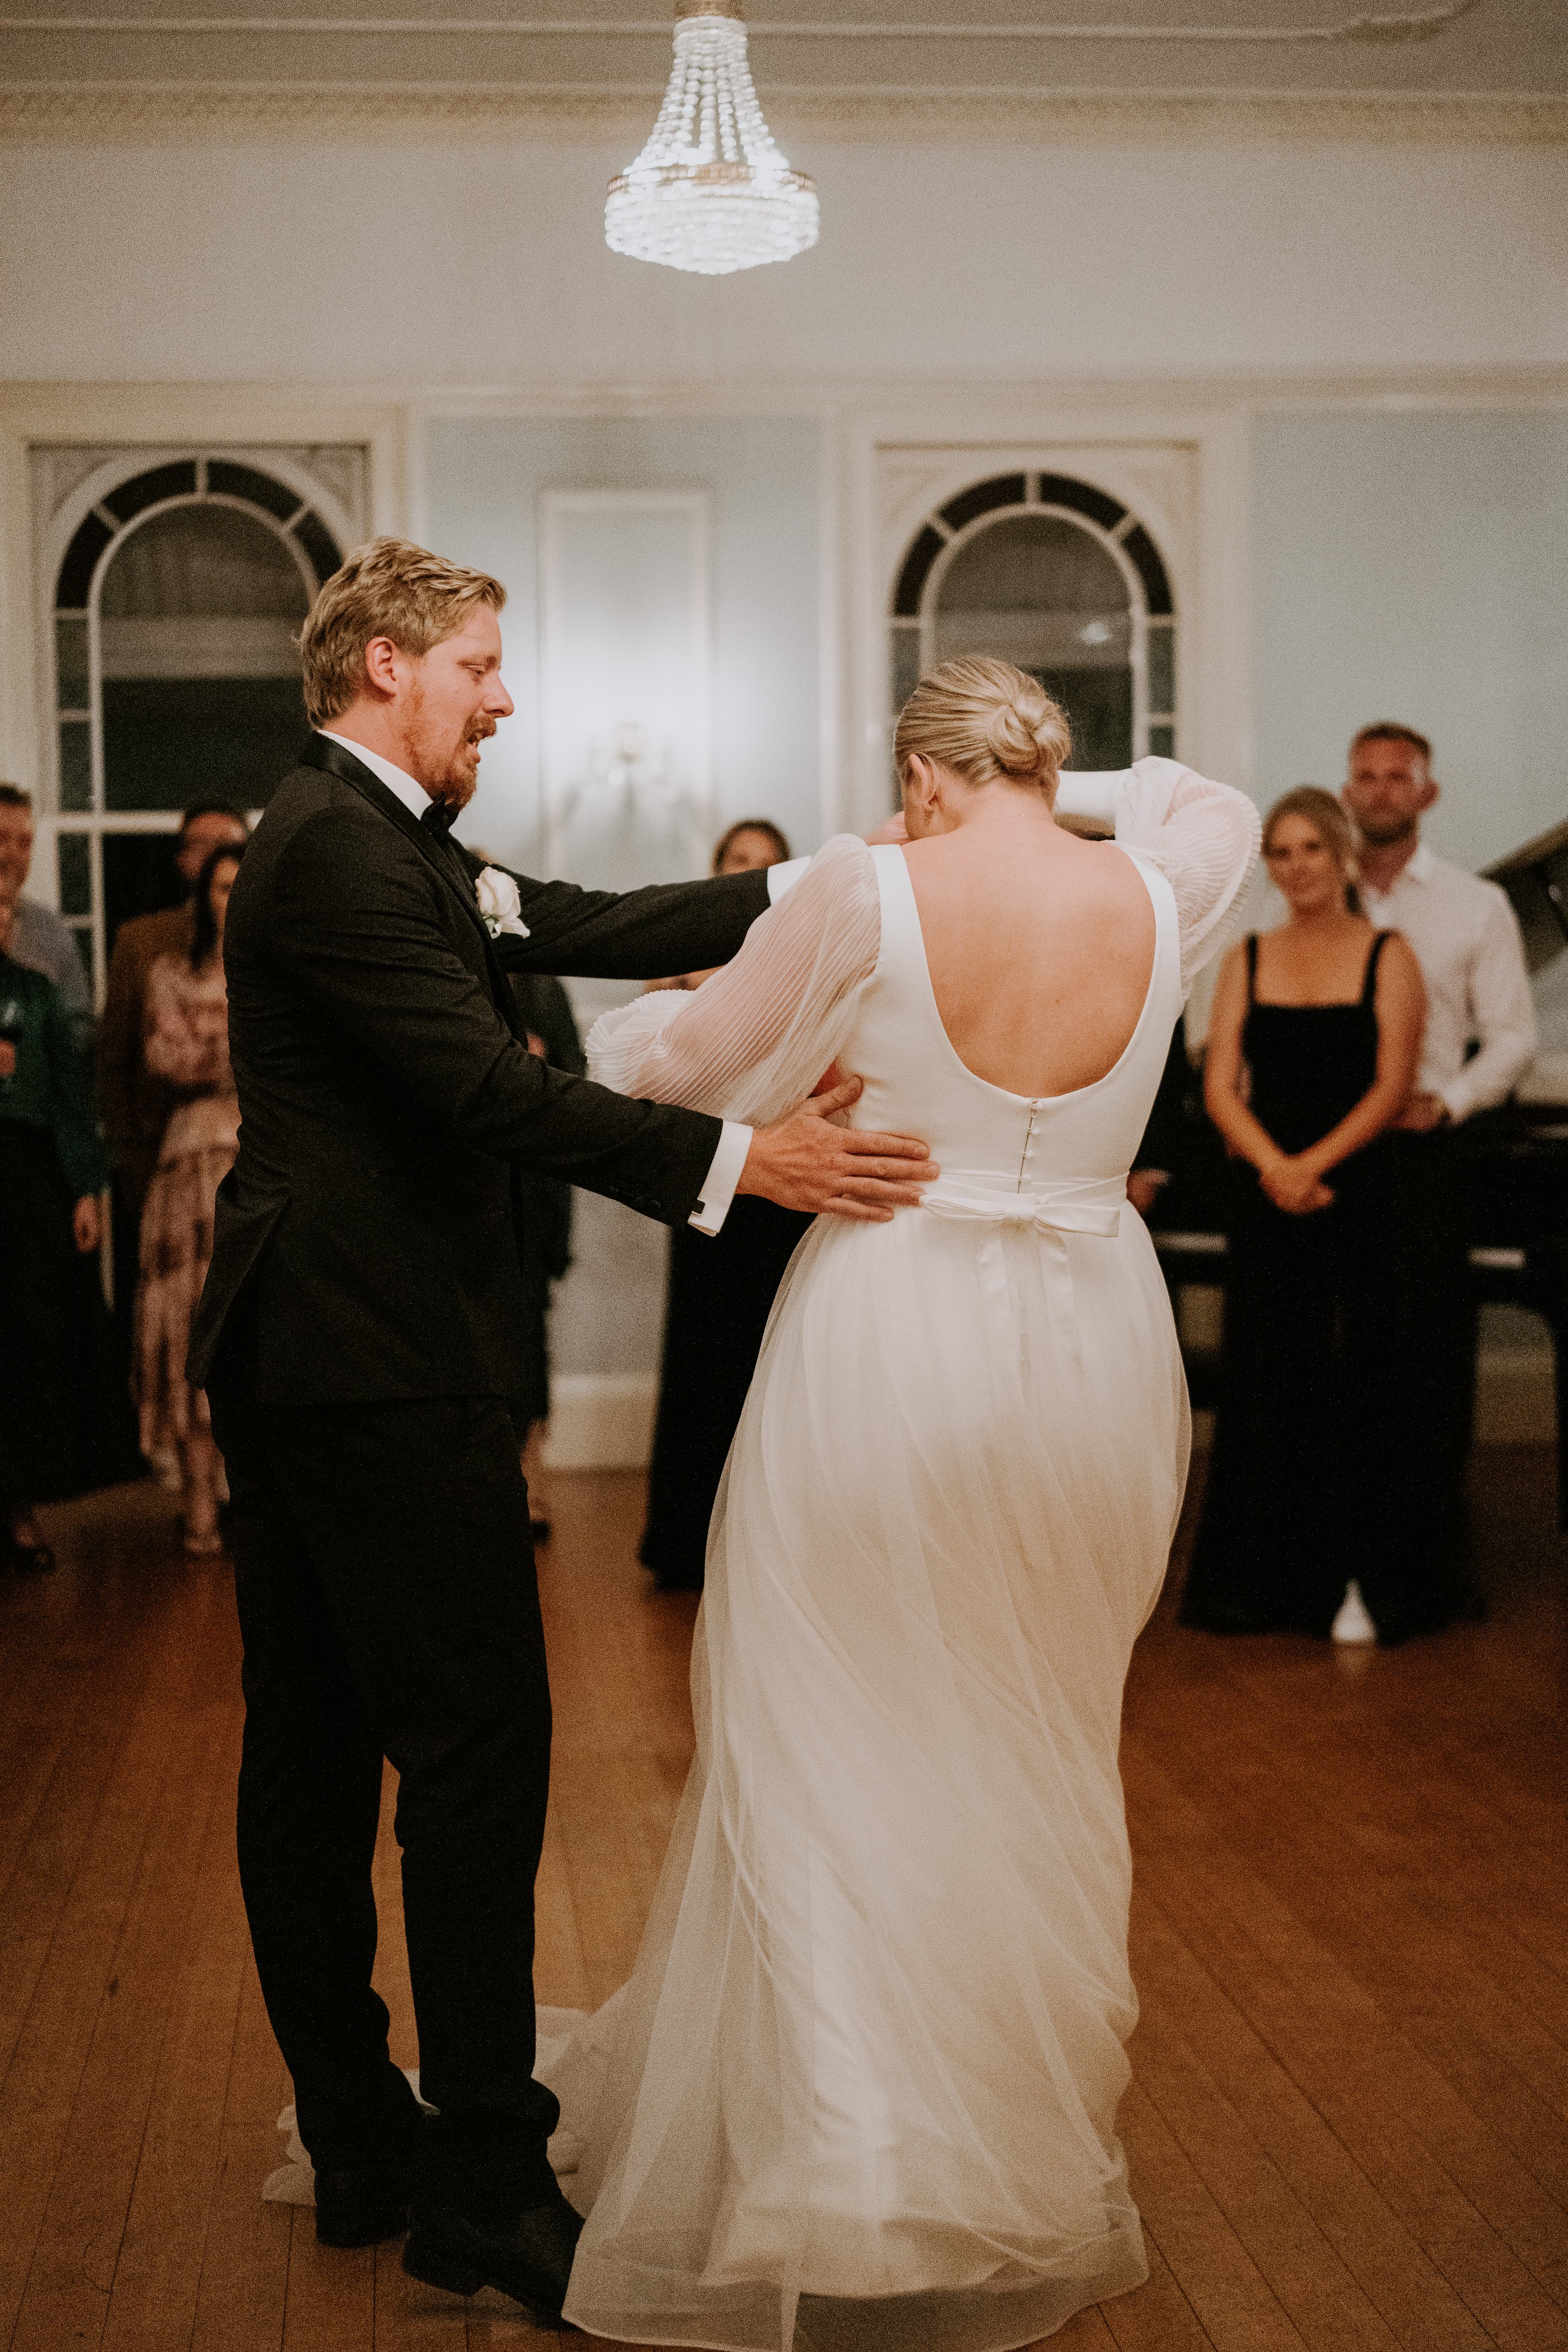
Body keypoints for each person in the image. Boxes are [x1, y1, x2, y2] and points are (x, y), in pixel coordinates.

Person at [188, 537, 935, 2316]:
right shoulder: (340, 855)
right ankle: (480, 2181)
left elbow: (587, 924)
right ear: (384, 663)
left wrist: (846, 880)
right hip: (374, 1359)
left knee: (310, 1744)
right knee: (470, 1752)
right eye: (479, 670)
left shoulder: (377, 837)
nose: (502, 699)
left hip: (310, 1346)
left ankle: (368, 2134)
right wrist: (748, 1162)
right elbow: (479, 1088)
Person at [555, 658, 1258, 2350]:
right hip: (1096, 1350)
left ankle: (862, 2159)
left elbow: (670, 1054)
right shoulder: (1166, 884)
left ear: (915, 769)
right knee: (1032, 1732)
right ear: (1038, 761)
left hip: (893, 1329)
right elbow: (1193, 795)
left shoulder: (866, 888)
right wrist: (1037, 792)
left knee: (828, 1725)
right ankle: (1010, 2142)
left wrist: (857, 907)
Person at [1179, 788, 1428, 1641]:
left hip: (1361, 1189)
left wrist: (1313, 1165)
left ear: (1342, 853)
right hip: (1269, 1190)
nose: (1296, 868)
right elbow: (1218, 1088)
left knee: (1365, 1376)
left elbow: (1392, 1085)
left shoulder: (1389, 954)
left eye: (1310, 850)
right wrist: (1275, 1167)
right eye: (1280, 854)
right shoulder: (1245, 956)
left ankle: (1372, 1580)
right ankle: (1270, 1582)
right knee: (1271, 1374)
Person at [1341, 722, 1537, 1613]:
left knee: (1424, 1352)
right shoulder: (1312, 890)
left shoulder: (1474, 905)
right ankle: (1332, 1544)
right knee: (1339, 1347)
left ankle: (1423, 1549)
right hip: (1329, 1152)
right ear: (1349, 790)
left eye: (1397, 778)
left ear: (1427, 795)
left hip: (1421, 1153)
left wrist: (1448, 1102)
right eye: (1366, 776)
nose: (1380, 790)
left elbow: (1514, 1040)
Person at [640, 815, 813, 1592]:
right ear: (719, 870)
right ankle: (686, 1538)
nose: (750, 871)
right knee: (702, 1352)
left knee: (772, 1355)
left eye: (765, 864)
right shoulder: (677, 956)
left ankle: (770, 1543)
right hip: (709, 1171)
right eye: (739, 860)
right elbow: (652, 1066)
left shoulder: (800, 960)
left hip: (783, 1176)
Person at [99, 804, 250, 1387]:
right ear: (187, 859)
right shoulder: (146, 945)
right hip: (178, 1162)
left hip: (259, 1158)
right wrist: (135, 1167)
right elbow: (116, 1063)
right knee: (184, 1312)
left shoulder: (277, 957)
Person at [133, 842, 245, 1556]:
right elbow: (166, 1056)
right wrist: (236, 1047)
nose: (230, 900)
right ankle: (202, 1497)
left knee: (254, 1335)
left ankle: (257, 1503)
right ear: (203, 896)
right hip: (191, 1166)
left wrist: (216, 1042)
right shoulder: (172, 971)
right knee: (191, 1332)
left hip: (264, 1157)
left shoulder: (281, 972)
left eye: (243, 887)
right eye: (221, 888)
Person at [0, 896, 111, 1573]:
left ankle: (17, 1507)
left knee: (23, 1340)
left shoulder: (36, 992)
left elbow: (71, 1095)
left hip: (25, 1179)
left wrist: (85, 1187)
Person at [0, 783, 92, 1033]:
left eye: (25, 843)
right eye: (1, 839)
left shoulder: (51, 929)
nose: (12, 855)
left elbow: (79, 1025)